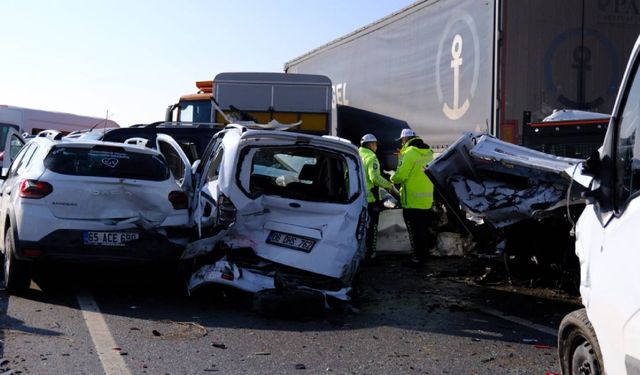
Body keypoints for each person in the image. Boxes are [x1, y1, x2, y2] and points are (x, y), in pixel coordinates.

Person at [390, 128, 435, 266]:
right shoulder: (429, 152)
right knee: (424, 230)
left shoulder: (409, 153)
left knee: (414, 232)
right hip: (427, 200)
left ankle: (417, 258)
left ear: (405, 140)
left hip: (412, 201)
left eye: (402, 141)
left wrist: (392, 177)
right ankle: (424, 255)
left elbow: (401, 176)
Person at [358, 133, 398, 260]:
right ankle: (371, 254)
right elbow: (374, 178)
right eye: (375, 145)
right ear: (371, 145)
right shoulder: (371, 157)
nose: (376, 148)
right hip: (370, 200)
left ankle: (359, 253)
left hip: (356, 199)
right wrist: (389, 185)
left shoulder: (356, 155)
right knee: (372, 228)